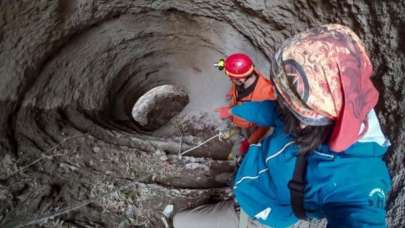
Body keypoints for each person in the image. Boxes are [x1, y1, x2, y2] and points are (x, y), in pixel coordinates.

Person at [174, 24, 391, 228]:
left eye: (289, 104)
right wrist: (233, 111)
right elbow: (272, 110)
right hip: (251, 188)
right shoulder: (309, 110)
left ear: (311, 118)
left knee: (179, 222)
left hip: (263, 216)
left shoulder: (359, 181)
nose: (282, 106)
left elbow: (361, 217)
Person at [215, 53, 276, 157]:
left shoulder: (266, 93)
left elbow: (264, 126)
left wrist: (249, 142)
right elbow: (235, 86)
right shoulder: (243, 76)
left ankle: (243, 151)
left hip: (252, 126)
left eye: (231, 78)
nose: (230, 79)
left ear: (241, 79)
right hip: (239, 117)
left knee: (247, 139)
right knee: (241, 127)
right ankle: (238, 131)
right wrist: (231, 95)